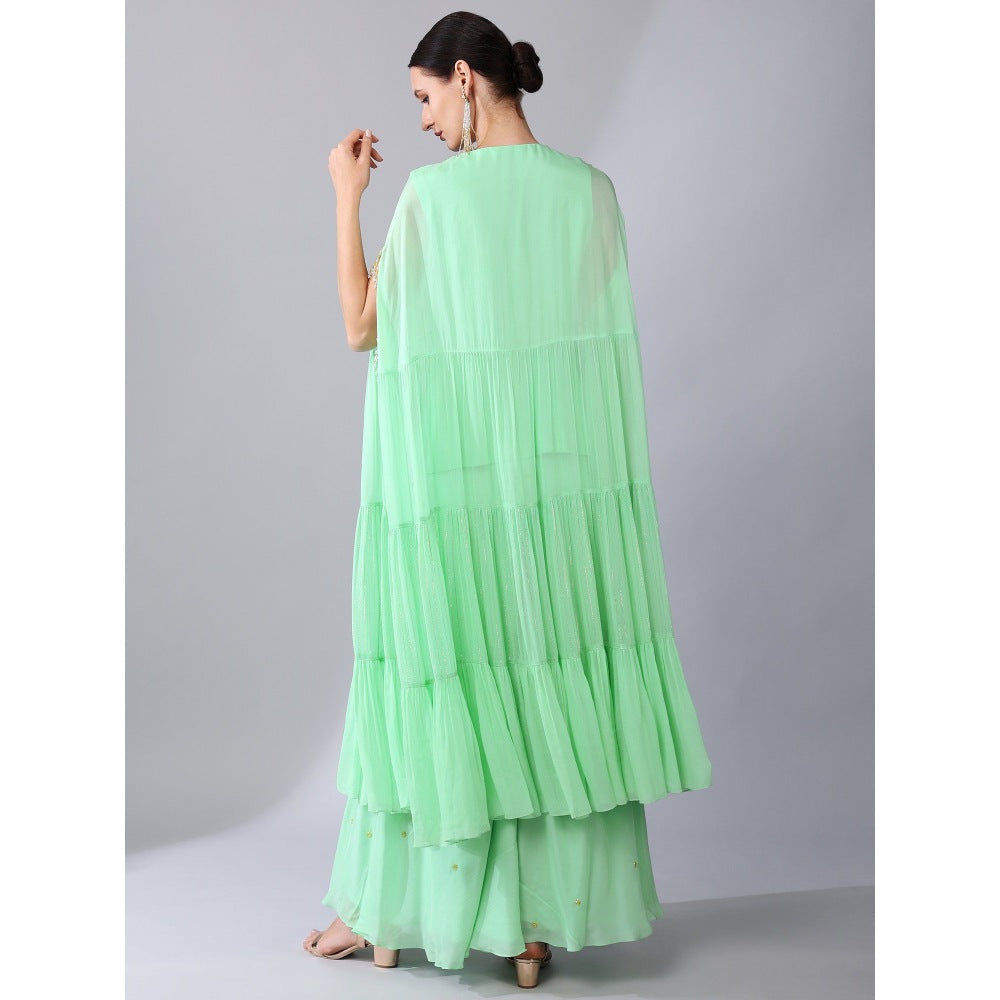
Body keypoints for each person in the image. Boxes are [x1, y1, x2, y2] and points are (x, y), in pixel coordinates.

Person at [303, 11, 712, 989]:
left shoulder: (429, 202)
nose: (422, 122)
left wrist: (346, 196)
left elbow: (363, 328)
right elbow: (584, 358)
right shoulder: (593, 194)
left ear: (462, 78)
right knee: (539, 683)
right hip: (560, 495)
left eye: (423, 99)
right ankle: (534, 925)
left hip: (455, 493)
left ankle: (398, 904)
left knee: (453, 682)